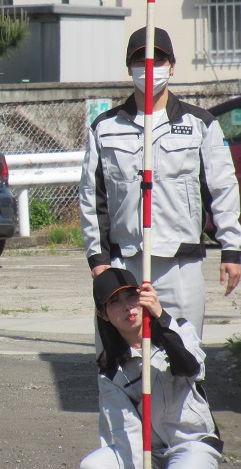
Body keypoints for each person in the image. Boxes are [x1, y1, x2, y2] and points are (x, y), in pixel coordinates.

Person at [79, 26, 241, 337]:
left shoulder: (201, 124)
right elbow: (91, 195)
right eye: (140, 62)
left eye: (158, 60)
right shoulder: (104, 127)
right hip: (123, 260)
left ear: (172, 65)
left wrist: (232, 249)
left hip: (182, 263)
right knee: (120, 360)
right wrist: (98, 260)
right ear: (129, 68)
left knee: (185, 356)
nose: (149, 69)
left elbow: (222, 190)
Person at [80, 268, 222, 469]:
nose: (127, 307)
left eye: (132, 296)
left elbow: (192, 369)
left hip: (192, 443)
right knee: (93, 465)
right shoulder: (111, 374)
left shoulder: (178, 328)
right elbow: (127, 432)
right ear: (102, 314)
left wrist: (161, 316)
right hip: (148, 451)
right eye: (115, 302)